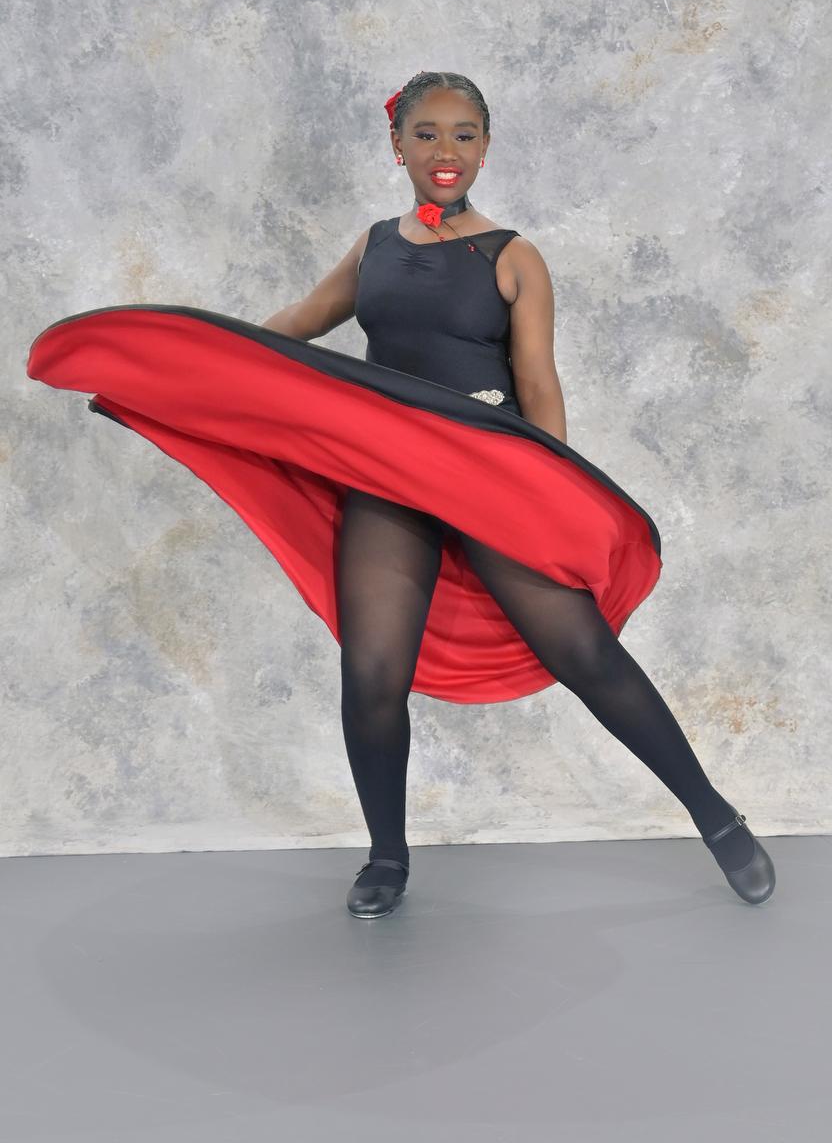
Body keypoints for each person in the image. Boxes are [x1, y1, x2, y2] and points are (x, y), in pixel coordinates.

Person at [26, 70, 775, 920]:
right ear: (397, 147)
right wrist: (192, 375)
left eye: (462, 135)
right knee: (372, 667)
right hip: (386, 476)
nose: (444, 151)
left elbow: (538, 383)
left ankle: (717, 820)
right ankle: (386, 856)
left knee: (585, 655)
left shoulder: (514, 257)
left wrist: (551, 492)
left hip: (489, 473)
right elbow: (299, 326)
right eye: (425, 134)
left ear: (485, 149)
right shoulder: (374, 244)